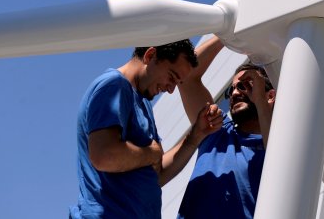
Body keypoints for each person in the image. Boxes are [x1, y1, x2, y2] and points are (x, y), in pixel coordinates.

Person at [70, 39, 224, 219]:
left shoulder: (143, 104)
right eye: (171, 77)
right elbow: (104, 156)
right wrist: (151, 153)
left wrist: (196, 136)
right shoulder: (113, 86)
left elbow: (157, 175)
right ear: (150, 55)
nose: (171, 89)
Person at [176, 35, 276, 219]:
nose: (236, 93)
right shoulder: (215, 130)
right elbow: (187, 77)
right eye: (232, 89)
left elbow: (280, 168)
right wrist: (226, 34)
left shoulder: (280, 144)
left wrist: (261, 103)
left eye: (246, 85)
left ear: (270, 96)